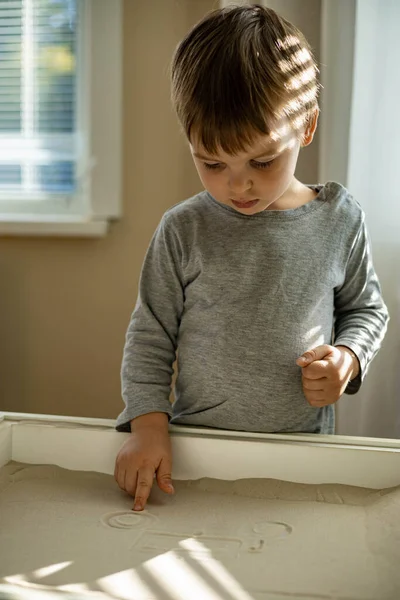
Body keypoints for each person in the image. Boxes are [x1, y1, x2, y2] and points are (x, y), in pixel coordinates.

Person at [114, 4, 389, 511]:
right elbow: (150, 335)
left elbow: (367, 311)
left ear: (306, 128)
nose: (238, 183)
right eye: (212, 162)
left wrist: (348, 358)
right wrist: (147, 425)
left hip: (303, 457)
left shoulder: (339, 219)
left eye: (263, 161)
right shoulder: (183, 229)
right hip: (197, 455)